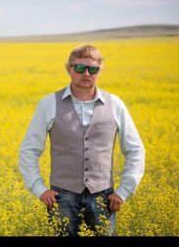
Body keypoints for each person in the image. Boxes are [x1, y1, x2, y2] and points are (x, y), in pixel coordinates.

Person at [19, 45, 145, 236]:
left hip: (103, 197)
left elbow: (135, 150)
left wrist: (124, 191)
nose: (86, 73)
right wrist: (39, 189)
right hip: (62, 196)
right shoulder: (49, 103)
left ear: (99, 71)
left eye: (93, 69)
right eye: (79, 68)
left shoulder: (115, 104)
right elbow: (29, 150)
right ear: (69, 69)